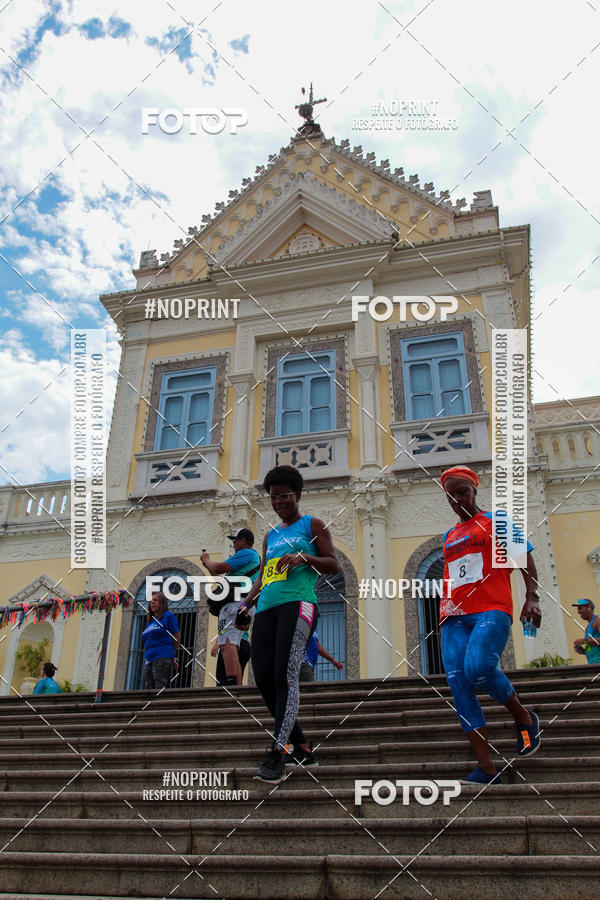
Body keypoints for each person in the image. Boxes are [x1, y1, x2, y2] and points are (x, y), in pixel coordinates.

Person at [236, 464, 339, 783]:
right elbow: (265, 576)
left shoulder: (313, 525)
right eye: (273, 497)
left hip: (300, 605)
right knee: (264, 678)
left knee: (285, 673)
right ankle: (304, 748)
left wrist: (303, 558)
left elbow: (333, 564)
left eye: (284, 496)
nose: (278, 502)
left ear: (297, 495)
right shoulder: (270, 535)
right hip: (267, 608)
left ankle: (279, 752)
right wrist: (246, 604)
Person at [439, 465, 542, 785]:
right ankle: (486, 768)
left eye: (462, 492)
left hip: (492, 609)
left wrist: (532, 596)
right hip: (453, 616)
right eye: (451, 495)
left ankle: (523, 717)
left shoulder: (497, 520)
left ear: (473, 491)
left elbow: (524, 558)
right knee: (459, 684)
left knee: (479, 668)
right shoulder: (449, 536)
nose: (457, 499)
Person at [202, 528, 260, 686]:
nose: (234, 544)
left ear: (244, 541)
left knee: (227, 644)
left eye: (236, 540)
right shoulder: (246, 562)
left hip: (236, 602)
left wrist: (207, 559)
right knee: (232, 643)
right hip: (242, 602)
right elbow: (219, 576)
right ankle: (237, 686)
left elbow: (218, 567)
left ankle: (232, 685)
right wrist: (208, 565)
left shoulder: (247, 553)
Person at [142, 591, 180, 689]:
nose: (152, 602)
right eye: (150, 601)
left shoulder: (168, 616)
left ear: (162, 602)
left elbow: (176, 636)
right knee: (148, 688)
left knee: (159, 686)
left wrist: (172, 655)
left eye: (155, 600)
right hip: (149, 659)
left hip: (162, 656)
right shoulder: (150, 622)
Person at [572, 599, 600, 663]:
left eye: (580, 608)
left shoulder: (598, 620)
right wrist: (584, 651)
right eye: (578, 609)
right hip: (593, 666)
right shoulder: (588, 627)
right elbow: (594, 647)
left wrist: (584, 640)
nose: (578, 611)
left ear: (589, 608)